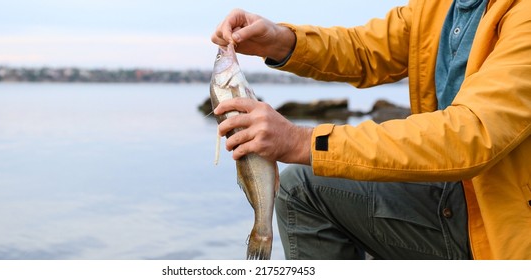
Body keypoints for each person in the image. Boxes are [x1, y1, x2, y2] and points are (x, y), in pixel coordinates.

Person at [211, 0, 531, 260]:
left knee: (301, 188)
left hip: (505, 232)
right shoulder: (437, 6)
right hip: (450, 193)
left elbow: (470, 135)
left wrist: (302, 141)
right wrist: (281, 40)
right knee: (301, 188)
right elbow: (364, 49)